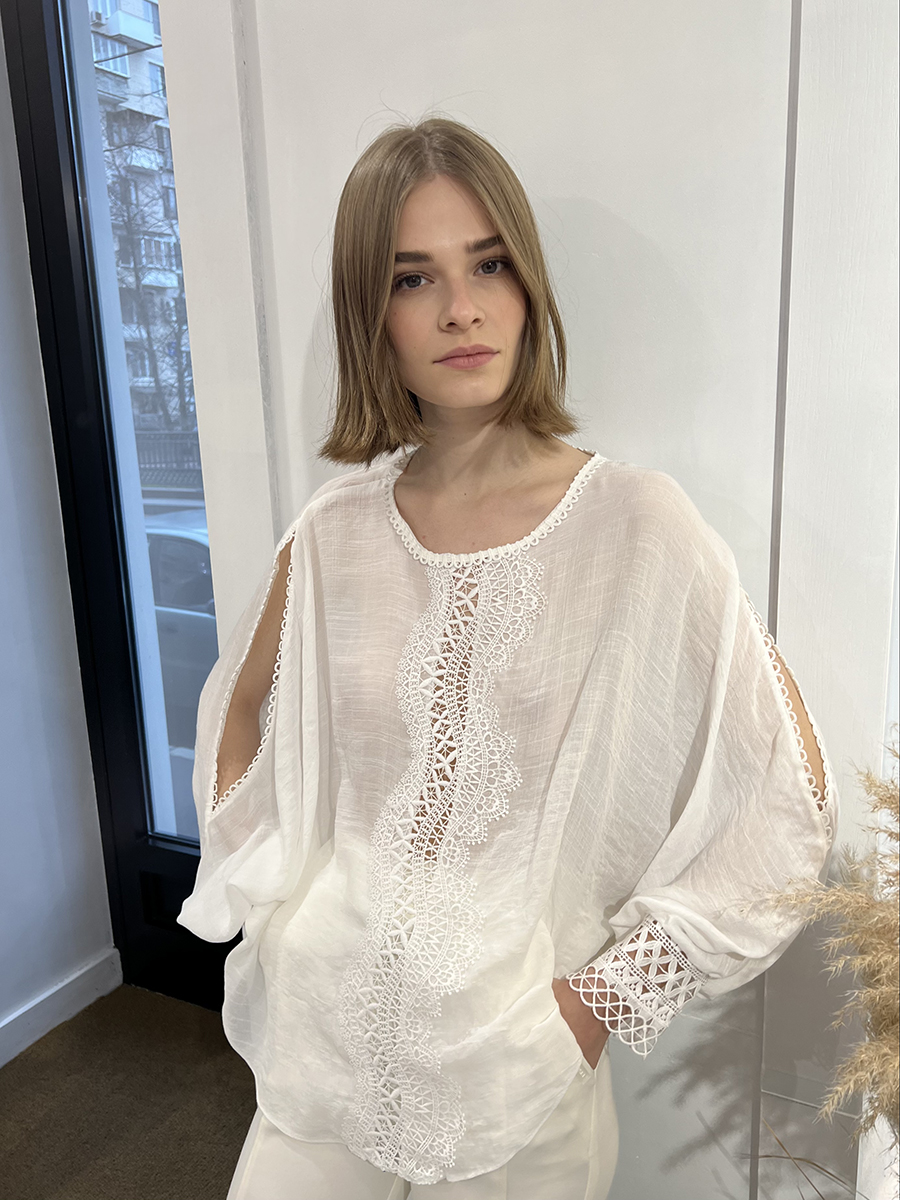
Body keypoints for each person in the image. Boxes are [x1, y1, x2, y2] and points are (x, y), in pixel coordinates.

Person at [176, 117, 837, 1200]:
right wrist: (278, 905)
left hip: (515, 1073)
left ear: (528, 286)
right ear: (371, 314)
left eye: (487, 265)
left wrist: (600, 1002)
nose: (461, 309)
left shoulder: (635, 525)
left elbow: (788, 794)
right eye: (413, 278)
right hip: (327, 1041)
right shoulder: (337, 532)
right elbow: (240, 711)